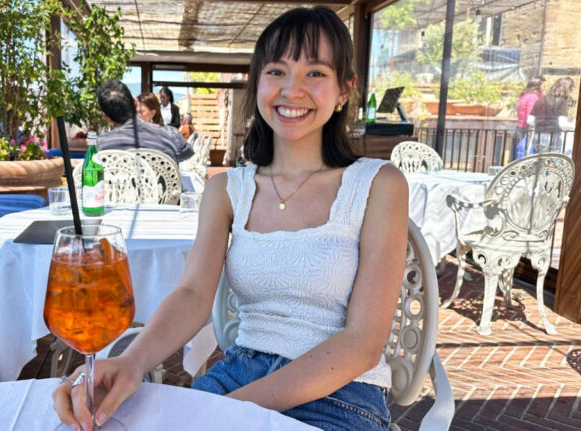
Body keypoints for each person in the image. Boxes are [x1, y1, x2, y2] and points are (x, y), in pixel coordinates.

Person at [54, 7, 408, 431]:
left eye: (315, 73)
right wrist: (130, 362)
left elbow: (363, 343)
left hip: (340, 395)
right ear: (257, 81)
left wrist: (233, 410)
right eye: (276, 71)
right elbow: (192, 295)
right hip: (238, 373)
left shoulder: (378, 184)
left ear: (344, 90)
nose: (292, 90)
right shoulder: (227, 190)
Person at [96, 80, 194, 163]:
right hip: (163, 185)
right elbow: (188, 153)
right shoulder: (170, 135)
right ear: (135, 102)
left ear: (107, 117)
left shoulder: (102, 145)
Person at [530, 77, 575, 154]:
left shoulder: (540, 100)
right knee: (552, 163)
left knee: (539, 162)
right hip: (553, 136)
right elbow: (562, 124)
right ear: (567, 89)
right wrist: (574, 126)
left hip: (538, 134)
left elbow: (530, 120)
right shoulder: (562, 101)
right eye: (571, 89)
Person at [512, 77, 543, 160]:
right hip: (526, 128)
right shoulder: (533, 97)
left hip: (520, 126)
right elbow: (530, 113)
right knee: (527, 154)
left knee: (518, 153)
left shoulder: (524, 95)